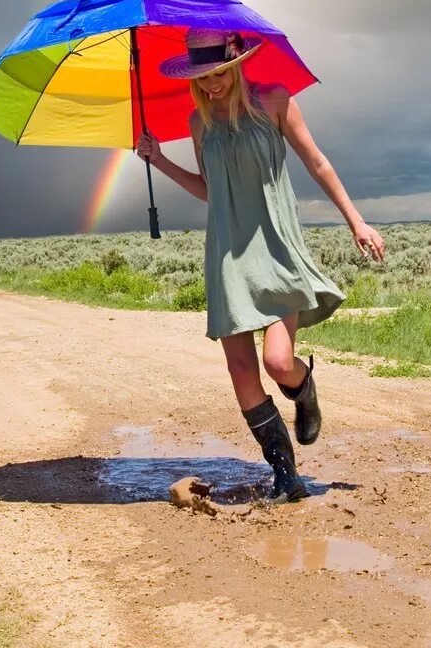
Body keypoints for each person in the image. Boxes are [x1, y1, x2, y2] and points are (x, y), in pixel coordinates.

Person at [137, 28, 385, 503]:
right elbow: (210, 190)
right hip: (229, 255)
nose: (211, 85)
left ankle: (303, 386)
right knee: (241, 372)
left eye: (219, 74)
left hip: (275, 247)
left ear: (236, 60)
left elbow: (317, 163)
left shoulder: (274, 100)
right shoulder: (199, 122)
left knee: (276, 361)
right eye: (201, 77)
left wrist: (357, 221)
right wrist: (160, 160)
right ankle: (285, 474)